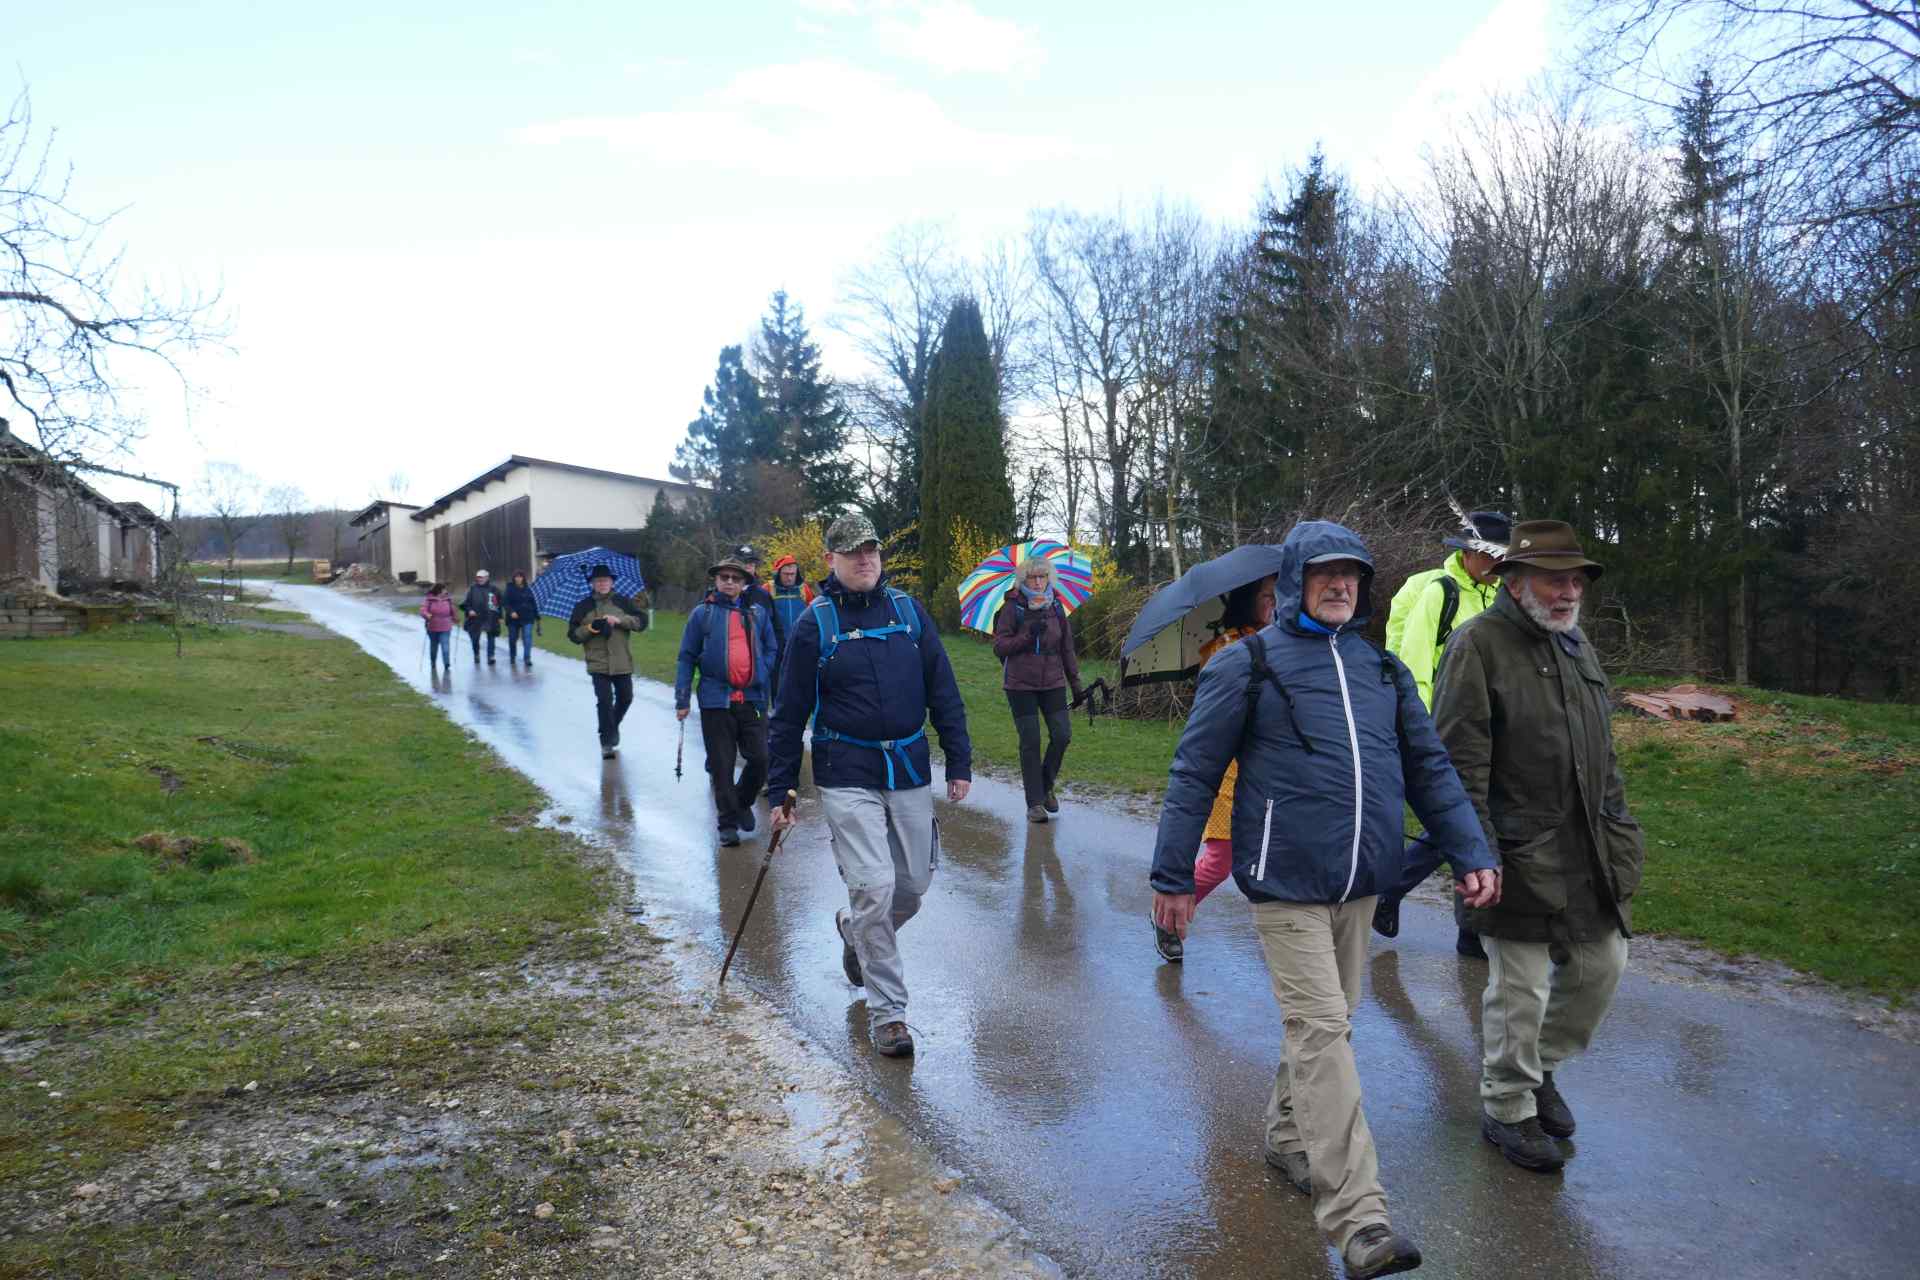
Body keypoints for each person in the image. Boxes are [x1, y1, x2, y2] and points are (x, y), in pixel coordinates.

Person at [1149, 520, 1497, 1280]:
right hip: (1285, 882)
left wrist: (1470, 849)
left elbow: (1430, 768)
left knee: (1330, 1024)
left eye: (1353, 575)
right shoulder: (1247, 664)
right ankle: (1359, 1218)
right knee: (1322, 1032)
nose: (1340, 585)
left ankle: (1286, 1135)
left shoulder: (1381, 671)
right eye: (1324, 573)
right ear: (1294, 582)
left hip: (1361, 881)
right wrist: (1173, 876)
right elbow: (1194, 772)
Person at [1430, 519, 1645, 1176]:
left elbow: (1603, 753)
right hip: (1515, 853)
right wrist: (1476, 854)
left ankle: (1538, 1070)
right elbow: (1456, 764)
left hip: (1590, 849)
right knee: (1519, 989)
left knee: (1600, 968)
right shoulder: (1477, 645)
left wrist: (1619, 825)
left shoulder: (1575, 643)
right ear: (1515, 582)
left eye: (1575, 580)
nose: (1568, 592)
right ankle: (1507, 1105)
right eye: (1554, 580)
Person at [767, 512, 972, 1059]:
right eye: (853, 552)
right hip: (846, 772)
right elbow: (788, 713)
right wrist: (781, 788)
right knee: (875, 888)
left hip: (907, 768)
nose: (865, 560)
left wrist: (959, 760)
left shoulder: (908, 612)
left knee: (913, 887)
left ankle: (855, 932)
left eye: (872, 550)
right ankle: (890, 1015)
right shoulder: (815, 624)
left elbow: (943, 689)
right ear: (830, 559)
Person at [1375, 509, 1511, 955]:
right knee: (1464, 817)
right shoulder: (1441, 592)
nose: (1495, 564)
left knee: (1478, 818)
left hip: (1491, 728)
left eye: (1501, 557)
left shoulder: (1499, 596)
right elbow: (1413, 664)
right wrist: (1423, 733)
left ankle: (1461, 921)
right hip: (1446, 726)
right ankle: (1466, 928)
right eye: (1488, 555)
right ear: (1468, 553)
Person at [1149, 572, 1276, 962]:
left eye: (1282, 594)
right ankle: (1168, 917)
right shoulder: (1227, 648)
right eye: (1268, 596)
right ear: (1248, 600)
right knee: (1220, 861)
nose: (1277, 603)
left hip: (1275, 776)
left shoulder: (1291, 645)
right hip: (1229, 772)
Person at [676, 555, 778, 847]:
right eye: (724, 577)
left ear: (744, 583)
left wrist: (762, 670)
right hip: (715, 700)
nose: (730, 582)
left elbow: (771, 647)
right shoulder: (702, 614)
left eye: (736, 578)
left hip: (753, 699)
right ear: (716, 580)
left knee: (760, 758)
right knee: (722, 764)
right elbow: (686, 657)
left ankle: (741, 802)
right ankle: (727, 824)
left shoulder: (758, 613)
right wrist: (682, 698)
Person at [990, 555, 1084, 825]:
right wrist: (1028, 634)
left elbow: (1067, 647)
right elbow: (1000, 647)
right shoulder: (1013, 607)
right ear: (1024, 580)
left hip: (1053, 681)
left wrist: (1076, 685)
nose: (1039, 582)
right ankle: (1035, 804)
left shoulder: (1056, 606)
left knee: (1062, 735)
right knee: (1030, 741)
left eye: (1043, 576)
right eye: (1033, 577)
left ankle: (1045, 786)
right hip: (1020, 684)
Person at [567, 563, 648, 759]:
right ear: (592, 583)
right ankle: (606, 743)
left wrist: (619, 621)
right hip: (597, 662)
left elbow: (641, 622)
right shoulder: (583, 606)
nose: (602, 583)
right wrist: (591, 628)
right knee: (604, 701)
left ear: (612, 582)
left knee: (626, 698)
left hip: (622, 661)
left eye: (605, 580)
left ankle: (611, 727)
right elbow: (573, 635)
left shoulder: (623, 602)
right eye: (598, 581)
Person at [766, 553, 815, 686]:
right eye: (786, 574)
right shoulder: (768, 589)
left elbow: (813, 615)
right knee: (776, 681)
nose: (789, 577)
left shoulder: (804, 589)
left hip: (799, 643)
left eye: (792, 574)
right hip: (775, 645)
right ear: (778, 573)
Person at [460, 569, 502, 664]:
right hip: (475, 618)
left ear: (487, 577)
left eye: (482, 577)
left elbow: (498, 604)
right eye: (478, 577)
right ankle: (476, 654)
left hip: (490, 617)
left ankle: (491, 656)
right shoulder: (472, 589)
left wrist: (500, 616)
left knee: (491, 637)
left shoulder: (494, 589)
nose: (480, 579)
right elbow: (465, 603)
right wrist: (470, 610)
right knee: (475, 638)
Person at [503, 570, 539, 667]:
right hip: (513, 618)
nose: (518, 578)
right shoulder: (509, 589)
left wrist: (537, 616)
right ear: (514, 578)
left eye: (520, 576)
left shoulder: (528, 589)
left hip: (527, 617)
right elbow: (505, 603)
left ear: (523, 578)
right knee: (512, 638)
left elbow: (533, 603)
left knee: (527, 637)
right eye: (516, 577)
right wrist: (511, 612)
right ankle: (512, 656)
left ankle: (527, 658)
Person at [419, 581, 456, 674]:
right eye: (444, 589)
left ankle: (446, 664)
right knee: (434, 646)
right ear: (439, 590)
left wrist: (455, 617)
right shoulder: (429, 600)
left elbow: (452, 610)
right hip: (433, 627)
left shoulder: (448, 599)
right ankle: (433, 662)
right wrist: (427, 615)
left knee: (445, 646)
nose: (446, 591)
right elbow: (423, 610)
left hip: (446, 626)